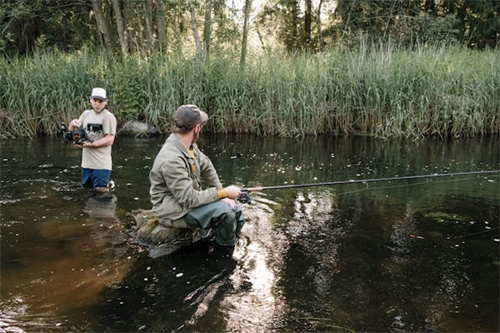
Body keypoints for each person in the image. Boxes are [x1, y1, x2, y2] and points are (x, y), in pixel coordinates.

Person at [149, 104, 244, 248]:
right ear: (196, 128)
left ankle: (231, 242)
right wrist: (222, 192)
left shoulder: (189, 146)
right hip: (172, 211)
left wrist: (223, 196)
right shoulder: (171, 158)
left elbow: (207, 167)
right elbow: (189, 199)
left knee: (236, 210)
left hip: (186, 203)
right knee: (225, 213)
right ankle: (225, 254)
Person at [69, 87, 117, 192]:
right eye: (95, 100)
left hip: (101, 165)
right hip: (86, 164)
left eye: (101, 101)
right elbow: (74, 134)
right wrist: (72, 125)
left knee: (101, 195)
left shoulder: (108, 117)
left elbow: (110, 139)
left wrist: (92, 145)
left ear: (106, 102)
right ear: (90, 100)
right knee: (87, 192)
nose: (97, 104)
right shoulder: (86, 114)